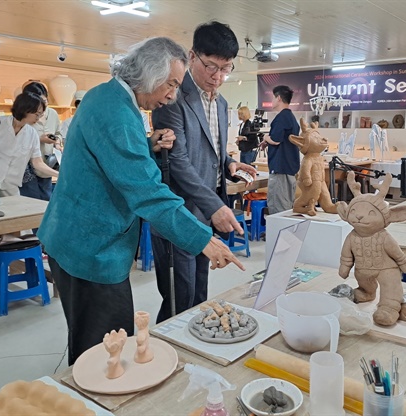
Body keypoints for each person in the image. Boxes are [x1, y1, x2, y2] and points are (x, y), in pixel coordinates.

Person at [37, 37, 244, 365]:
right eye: (172, 84)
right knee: (106, 349)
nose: (172, 95)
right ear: (150, 74)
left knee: (99, 339)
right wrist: (205, 239)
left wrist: (147, 144)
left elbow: (109, 159)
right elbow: (148, 193)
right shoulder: (118, 113)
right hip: (91, 247)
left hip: (77, 237)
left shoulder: (109, 97)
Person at [151, 21, 257, 323]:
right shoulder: (171, 97)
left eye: (226, 69)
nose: (218, 77)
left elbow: (212, 148)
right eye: (211, 66)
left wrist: (229, 163)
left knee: (199, 294)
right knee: (178, 300)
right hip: (179, 213)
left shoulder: (221, 103)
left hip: (206, 213)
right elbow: (179, 160)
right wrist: (216, 207)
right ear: (192, 56)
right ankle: (167, 355)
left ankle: (191, 355)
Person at [0, 92, 59, 196]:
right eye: (36, 114)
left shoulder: (32, 134)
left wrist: (59, 175)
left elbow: (37, 163)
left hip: (10, 184)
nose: (38, 118)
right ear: (25, 110)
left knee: (14, 211)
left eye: (40, 115)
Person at [259, 85, 300, 214]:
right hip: (289, 167)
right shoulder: (291, 118)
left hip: (280, 169)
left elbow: (276, 140)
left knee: (279, 207)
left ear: (279, 98)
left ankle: (278, 234)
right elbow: (281, 139)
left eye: (273, 97)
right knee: (286, 205)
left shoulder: (281, 117)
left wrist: (266, 136)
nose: (272, 100)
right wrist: (267, 141)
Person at [20, 81, 61, 201]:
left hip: (48, 162)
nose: (43, 105)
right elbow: (19, 140)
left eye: (45, 100)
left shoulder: (52, 113)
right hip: (27, 166)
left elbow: (58, 133)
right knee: (31, 201)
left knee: (46, 199)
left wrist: (57, 143)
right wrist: (39, 139)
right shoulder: (23, 116)